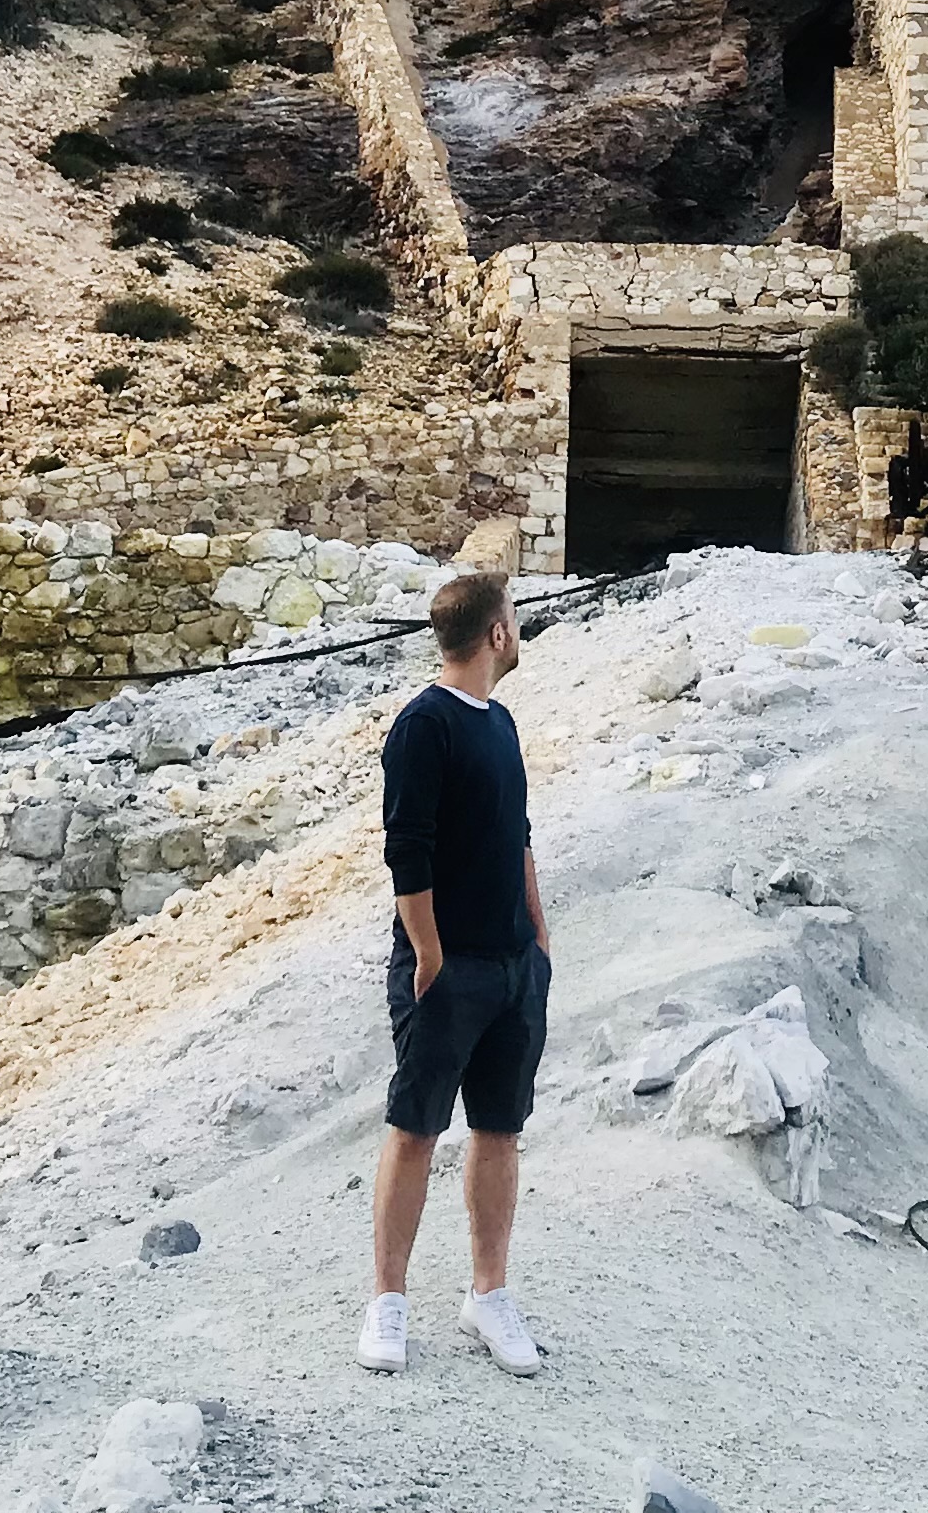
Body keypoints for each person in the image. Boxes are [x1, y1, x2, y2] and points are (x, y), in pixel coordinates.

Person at [359, 567, 550, 1376]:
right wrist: (429, 952)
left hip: (513, 966)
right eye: (515, 617)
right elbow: (406, 848)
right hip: (446, 970)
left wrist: (538, 936)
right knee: (416, 1128)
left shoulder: (500, 722)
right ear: (496, 633)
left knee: (499, 1130)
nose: (519, 630)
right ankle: (387, 1303)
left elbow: (518, 833)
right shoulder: (422, 725)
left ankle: (488, 1295)